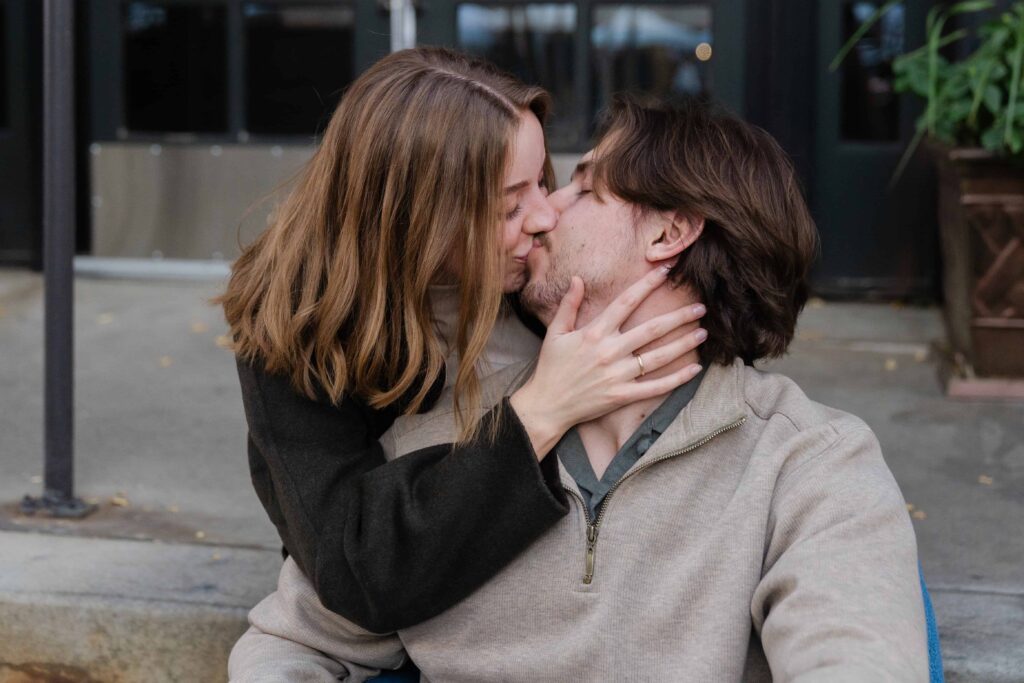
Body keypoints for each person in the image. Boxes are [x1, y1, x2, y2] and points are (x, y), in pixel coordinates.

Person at [228, 95, 929, 682]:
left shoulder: (807, 465)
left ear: (670, 231)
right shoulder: (440, 436)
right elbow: (294, 642)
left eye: (585, 188)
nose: (546, 212)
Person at [217, 48, 707, 633]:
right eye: (507, 205)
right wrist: (540, 411)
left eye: (541, 180)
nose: (545, 216)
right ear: (413, 217)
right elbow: (348, 570)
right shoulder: (300, 324)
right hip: (399, 631)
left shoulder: (538, 276)